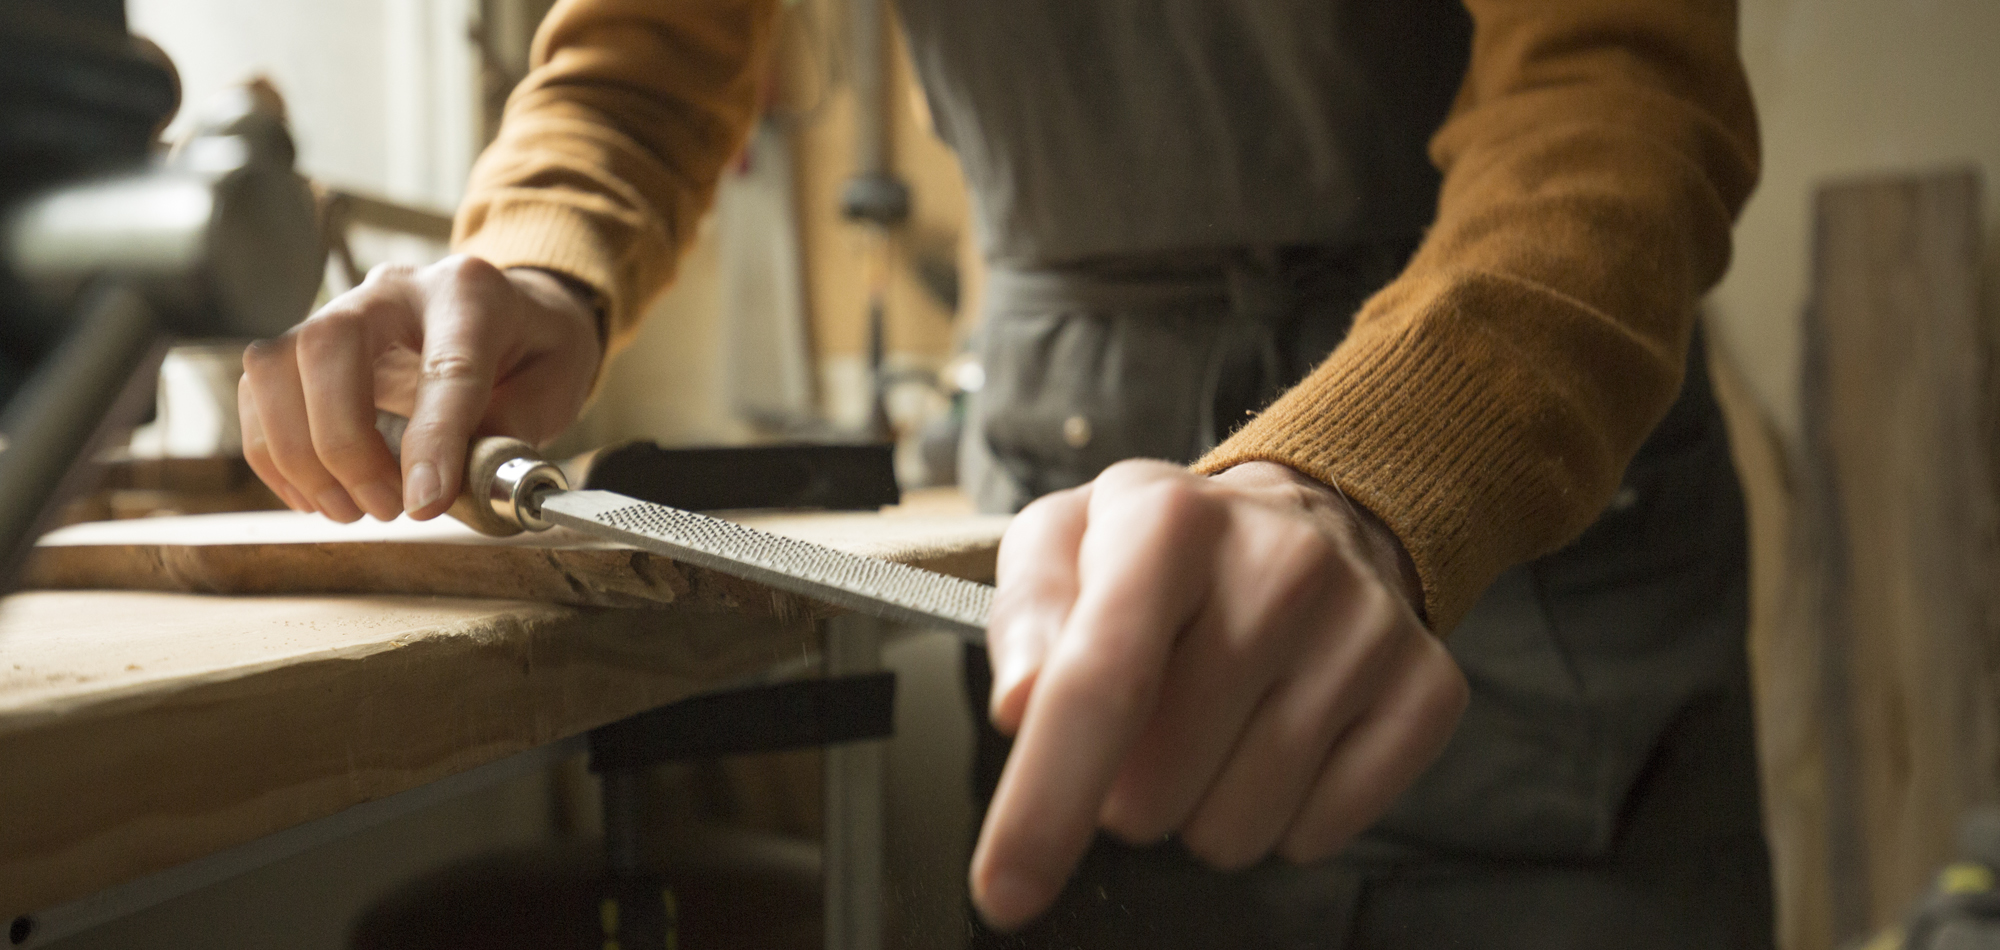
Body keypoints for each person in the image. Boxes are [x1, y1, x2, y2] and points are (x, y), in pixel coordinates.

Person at [238, 0, 1768, 946]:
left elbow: (1616, 90)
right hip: (1085, 448)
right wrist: (529, 264)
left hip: (1520, 436)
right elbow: (633, 71)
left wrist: (1374, 470)